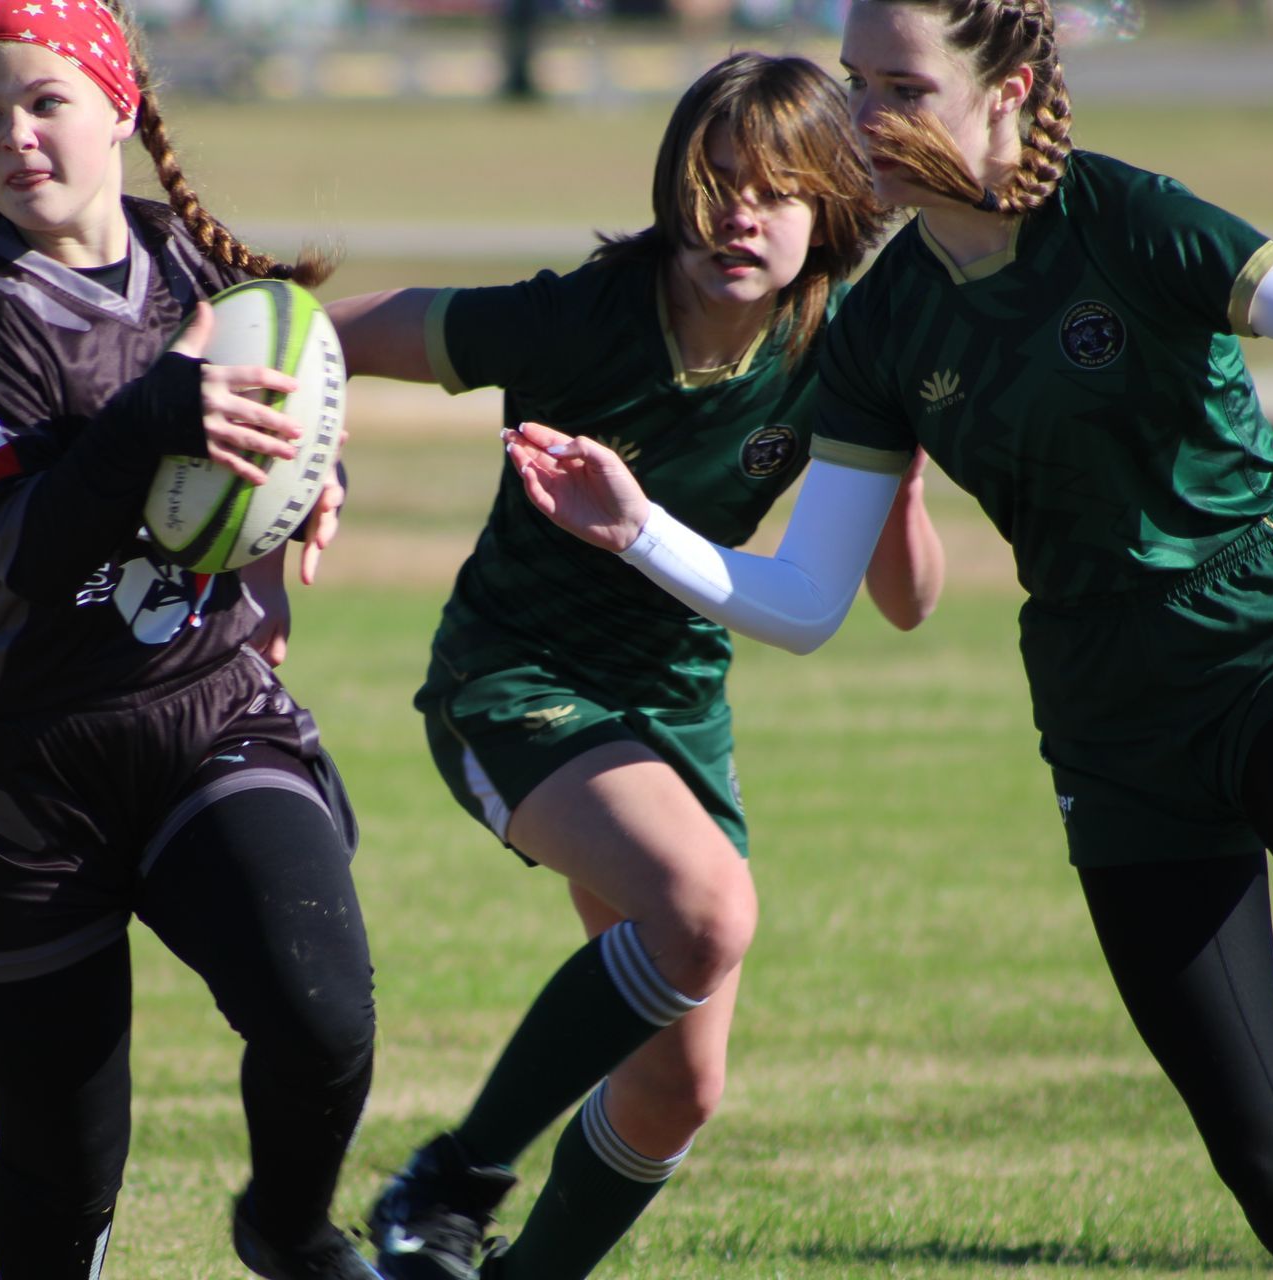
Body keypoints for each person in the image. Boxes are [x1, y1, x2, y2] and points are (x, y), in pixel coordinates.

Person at [507, 1, 1273, 1274]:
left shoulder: (1129, 217)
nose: (863, 120)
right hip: (1110, 725)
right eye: (855, 83)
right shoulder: (884, 325)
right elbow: (808, 600)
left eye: (902, 89)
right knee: (1268, 1159)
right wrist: (640, 529)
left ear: (1008, 90)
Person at [326, 53, 946, 1280]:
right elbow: (327, 340)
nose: (740, 215)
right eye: (716, 183)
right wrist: (305, 457)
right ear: (674, 189)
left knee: (677, 1090)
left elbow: (908, 601)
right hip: (514, 678)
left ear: (835, 203)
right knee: (705, 910)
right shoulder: (583, 317)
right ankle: (450, 1181)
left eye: (777, 188)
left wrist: (902, 474)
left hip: (677, 705)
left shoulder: (844, 349)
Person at [0, 2, 379, 1275]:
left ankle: (290, 1232)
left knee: (321, 1013)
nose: (14, 134)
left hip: (207, 714)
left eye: (44, 101)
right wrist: (161, 408)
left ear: (119, 109)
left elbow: (279, 425)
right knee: (63, 1165)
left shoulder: (190, 267)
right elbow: (33, 552)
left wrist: (308, 483)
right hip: (18, 771)